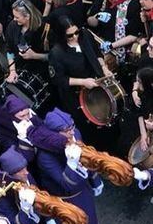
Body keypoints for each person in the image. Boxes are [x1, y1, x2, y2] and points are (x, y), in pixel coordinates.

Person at [47, 17, 116, 150]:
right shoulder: (56, 53)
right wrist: (83, 82)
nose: (75, 37)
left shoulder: (85, 35)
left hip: (96, 84)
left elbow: (97, 53)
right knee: (90, 126)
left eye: (76, 32)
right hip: (77, 95)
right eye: (70, 35)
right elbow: (58, 79)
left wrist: (104, 68)